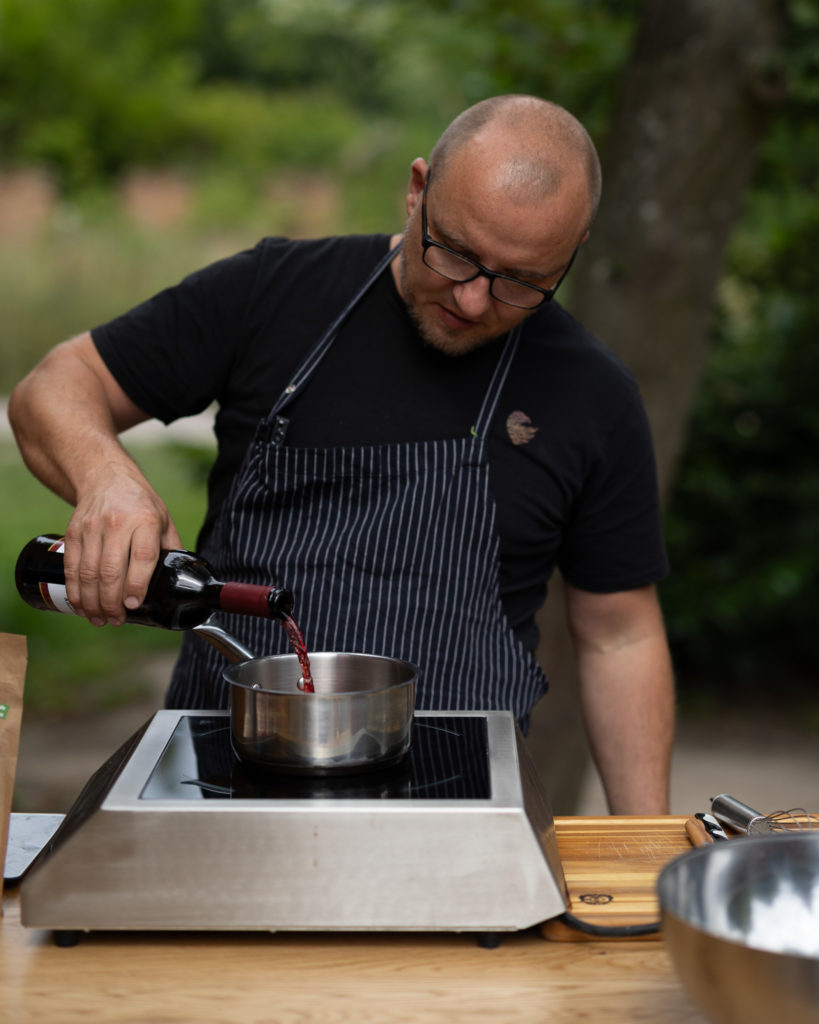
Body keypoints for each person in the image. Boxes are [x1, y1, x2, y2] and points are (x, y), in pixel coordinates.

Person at [9, 95, 674, 814]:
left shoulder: (592, 391)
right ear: (417, 189)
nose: (475, 301)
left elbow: (619, 637)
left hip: (461, 813)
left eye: (520, 281)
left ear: (570, 254)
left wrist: (645, 844)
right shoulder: (274, 293)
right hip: (218, 788)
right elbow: (54, 386)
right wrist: (108, 478)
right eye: (453, 253)